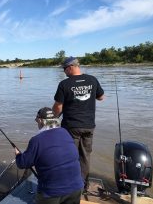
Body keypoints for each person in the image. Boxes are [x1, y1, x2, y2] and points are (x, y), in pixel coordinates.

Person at [52, 56, 104, 192]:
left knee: (69, 155)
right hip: (89, 126)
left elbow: (58, 106)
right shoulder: (92, 80)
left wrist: (53, 118)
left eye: (64, 69)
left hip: (71, 127)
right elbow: (101, 97)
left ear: (70, 67)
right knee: (85, 156)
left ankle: (71, 186)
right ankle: (84, 186)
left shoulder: (64, 84)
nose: (64, 72)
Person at [15, 107, 83, 204]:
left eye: (37, 121)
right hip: (76, 188)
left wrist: (18, 154)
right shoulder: (65, 132)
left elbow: (22, 163)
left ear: (40, 120)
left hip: (51, 193)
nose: (37, 123)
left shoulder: (36, 140)